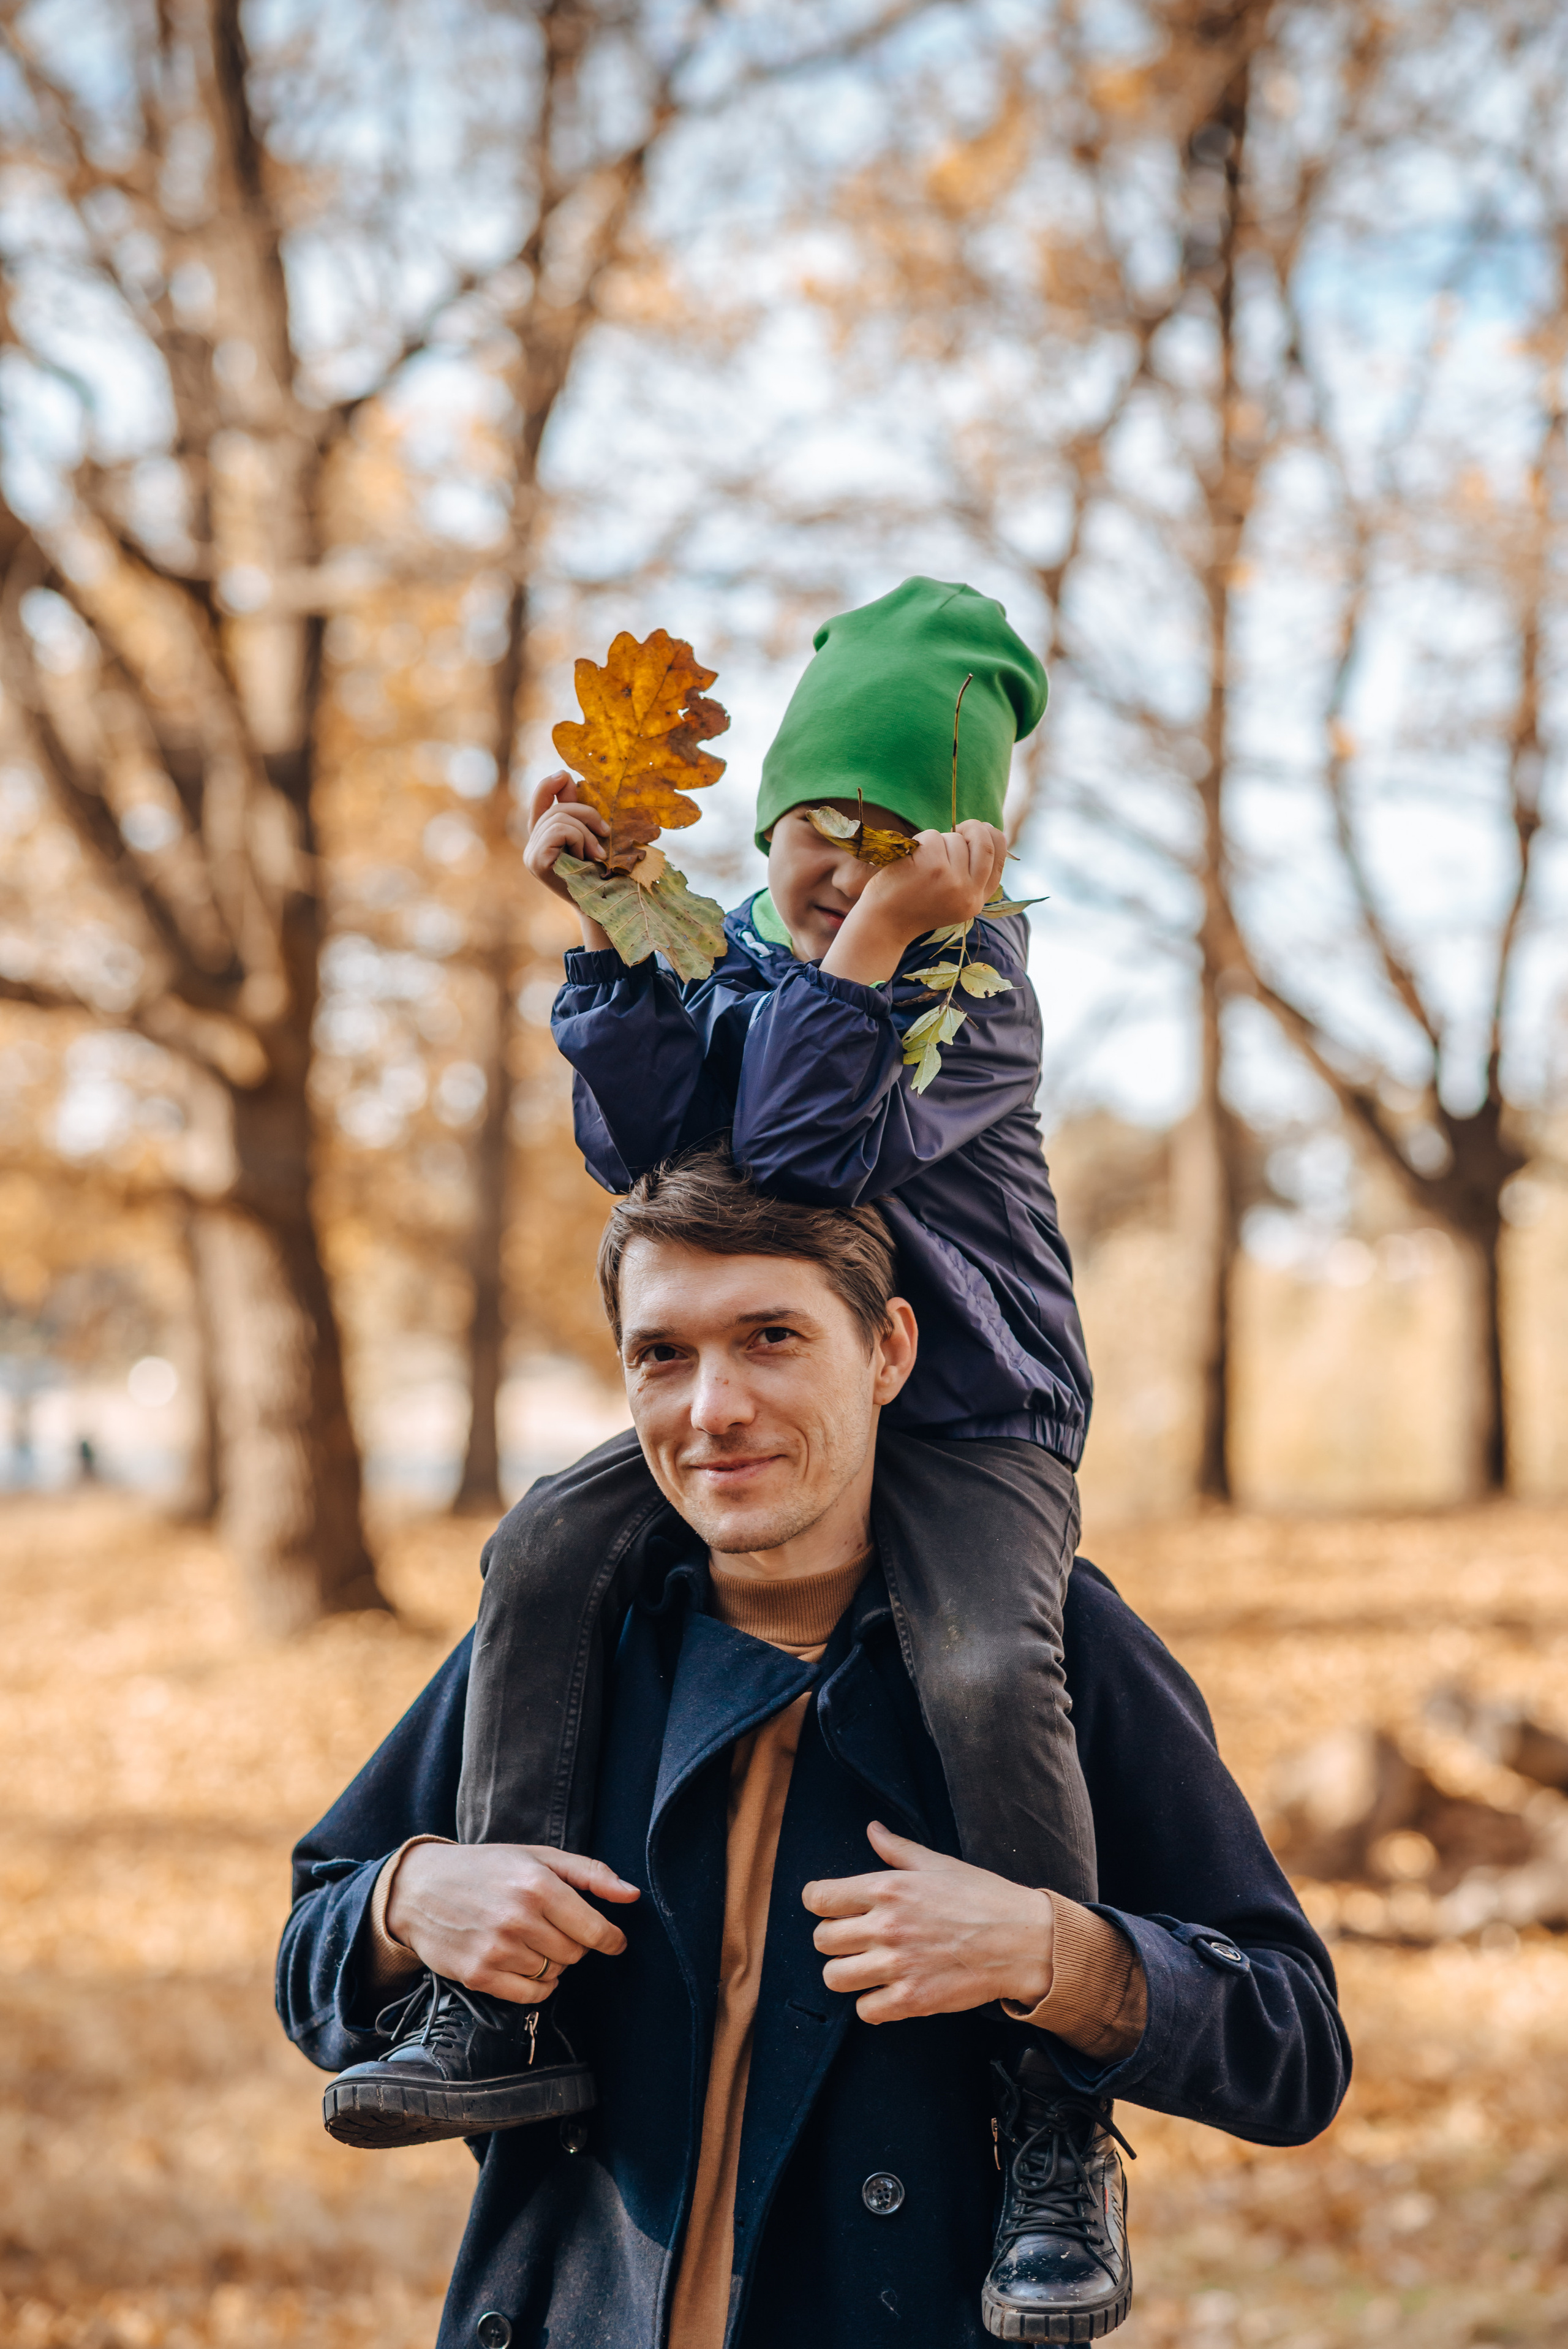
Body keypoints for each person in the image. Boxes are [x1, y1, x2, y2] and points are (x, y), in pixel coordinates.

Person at [282, 1155, 1351, 2347]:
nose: (711, 1408)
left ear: (887, 1351)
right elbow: (313, 1948)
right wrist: (407, 1901)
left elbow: (1291, 2048)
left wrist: (1057, 1954)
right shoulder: (567, 1638)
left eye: (770, 1338)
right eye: (662, 1355)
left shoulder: (1047, 1639)